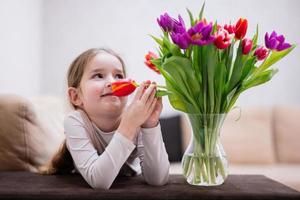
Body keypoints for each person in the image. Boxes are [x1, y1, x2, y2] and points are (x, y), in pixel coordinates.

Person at [39, 48, 170, 189]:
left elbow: (158, 179)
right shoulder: (75, 121)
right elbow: (100, 182)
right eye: (98, 76)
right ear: (76, 96)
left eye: (119, 76)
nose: (112, 83)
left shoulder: (137, 119)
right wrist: (129, 125)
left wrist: (150, 125)